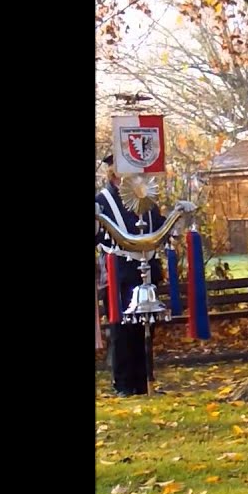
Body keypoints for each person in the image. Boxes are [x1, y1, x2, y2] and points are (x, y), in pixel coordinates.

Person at [95, 154, 165, 396]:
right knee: (122, 327)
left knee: (146, 326)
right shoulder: (102, 200)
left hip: (146, 268)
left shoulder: (144, 194)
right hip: (119, 270)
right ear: (113, 170)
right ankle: (123, 383)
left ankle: (144, 379)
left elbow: (158, 225)